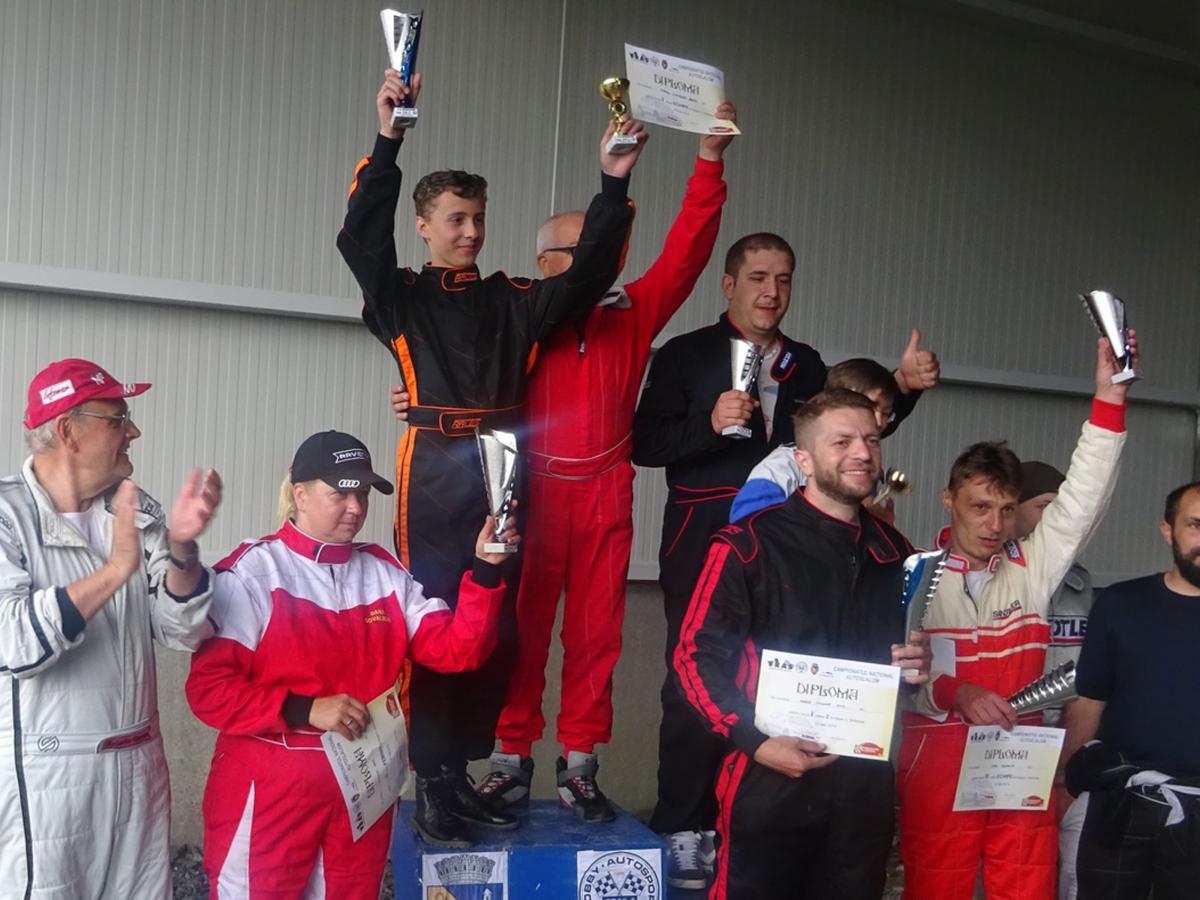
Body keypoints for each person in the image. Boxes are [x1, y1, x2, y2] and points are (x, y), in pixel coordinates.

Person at [337, 69, 642, 844]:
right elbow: (358, 238)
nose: (470, 231)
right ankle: (430, 778)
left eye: (478, 217)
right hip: (432, 472)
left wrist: (613, 183)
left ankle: (460, 773)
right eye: (455, 218)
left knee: (495, 626)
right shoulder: (400, 297)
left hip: (505, 468)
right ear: (424, 226)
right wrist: (388, 139)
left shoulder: (513, 299)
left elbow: (591, 273)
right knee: (437, 621)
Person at [631, 234, 938, 888]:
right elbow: (645, 444)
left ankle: (799, 800)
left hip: (808, 537)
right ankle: (684, 823)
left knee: (809, 659)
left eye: (784, 279)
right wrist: (709, 423)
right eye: (758, 278)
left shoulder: (806, 363)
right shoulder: (687, 353)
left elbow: (840, 433)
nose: (772, 292)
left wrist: (902, 391)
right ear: (729, 285)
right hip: (710, 533)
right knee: (698, 678)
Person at [187, 431, 517, 897]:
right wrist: (306, 708)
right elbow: (209, 692)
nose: (355, 507)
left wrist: (485, 570)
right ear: (299, 494)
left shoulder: (384, 571)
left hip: (365, 787)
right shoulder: (252, 573)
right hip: (270, 788)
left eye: (362, 493)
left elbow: (457, 650)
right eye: (339, 493)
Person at [897, 335, 1136, 900]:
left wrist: (1109, 399)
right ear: (948, 499)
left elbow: (1083, 499)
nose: (994, 524)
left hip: (1017, 755)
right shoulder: (911, 573)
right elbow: (895, 674)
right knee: (936, 888)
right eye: (980, 507)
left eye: (1006, 509)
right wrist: (956, 691)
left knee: (1027, 886)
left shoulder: (1033, 568)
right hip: (937, 760)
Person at [673, 389, 932, 899]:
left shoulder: (895, 555)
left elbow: (898, 669)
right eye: (842, 441)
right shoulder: (749, 544)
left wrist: (912, 668)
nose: (862, 453)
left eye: (871, 440)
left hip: (862, 791)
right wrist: (754, 741)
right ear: (804, 460)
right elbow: (693, 657)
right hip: (770, 779)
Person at [0, 358, 222, 900]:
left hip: (141, 767)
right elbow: (14, 642)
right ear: (67, 430)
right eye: (117, 418)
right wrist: (115, 569)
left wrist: (182, 552)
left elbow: (183, 631)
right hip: (48, 775)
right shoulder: (7, 515)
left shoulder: (135, 510)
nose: (134, 431)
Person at [1058, 481, 1200, 900]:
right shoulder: (1121, 604)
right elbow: (1089, 700)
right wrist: (1064, 784)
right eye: (1196, 525)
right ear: (1168, 531)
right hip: (1119, 800)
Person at [729, 355, 934, 523]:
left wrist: (878, 531)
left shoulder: (864, 466)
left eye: (886, 413)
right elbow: (749, 532)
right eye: (869, 407)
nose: (878, 422)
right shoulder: (781, 468)